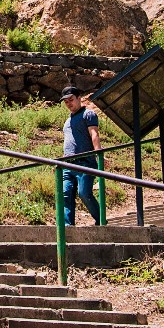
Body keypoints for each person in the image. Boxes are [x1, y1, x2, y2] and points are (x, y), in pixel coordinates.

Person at [59, 86, 103, 225]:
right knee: (65, 194)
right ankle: (67, 226)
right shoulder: (67, 121)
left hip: (85, 162)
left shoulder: (88, 114)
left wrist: (98, 153)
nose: (69, 104)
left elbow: (94, 133)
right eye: (66, 102)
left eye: (71, 100)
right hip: (67, 163)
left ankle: (101, 220)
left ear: (79, 98)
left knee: (84, 193)